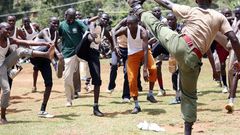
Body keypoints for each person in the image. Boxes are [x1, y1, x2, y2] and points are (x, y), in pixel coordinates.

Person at [127, 0, 240, 134]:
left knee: (157, 27)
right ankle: (187, 131)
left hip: (180, 44)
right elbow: (234, 39)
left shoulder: (191, 10)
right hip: (194, 59)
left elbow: (167, 4)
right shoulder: (219, 17)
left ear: (197, 1)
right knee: (190, 96)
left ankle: (137, 7)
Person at [0, 22, 53, 124]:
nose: (9, 31)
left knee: (20, 50)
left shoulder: (9, 40)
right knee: (6, 90)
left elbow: (26, 42)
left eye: (10, 29)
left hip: (4, 64)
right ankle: (2, 117)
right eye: (6, 29)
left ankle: (46, 55)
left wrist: (44, 43)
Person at [113, 15, 157, 114]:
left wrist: (145, 69)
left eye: (131, 24)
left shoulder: (143, 32)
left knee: (153, 68)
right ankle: (136, 105)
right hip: (132, 54)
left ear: (137, 23)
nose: (129, 25)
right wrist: (115, 46)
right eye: (127, 23)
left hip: (144, 52)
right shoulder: (125, 30)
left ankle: (150, 93)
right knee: (132, 79)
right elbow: (113, 33)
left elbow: (145, 51)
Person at [76, 12, 114, 117]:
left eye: (107, 19)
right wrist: (91, 36)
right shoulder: (92, 25)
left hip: (94, 54)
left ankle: (96, 107)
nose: (105, 21)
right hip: (83, 50)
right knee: (88, 37)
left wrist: (113, 48)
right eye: (103, 19)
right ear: (99, 19)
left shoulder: (105, 31)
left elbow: (111, 39)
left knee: (97, 80)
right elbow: (89, 27)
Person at [30, 17, 63, 118]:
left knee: (49, 84)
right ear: (50, 23)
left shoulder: (56, 34)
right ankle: (55, 64)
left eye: (57, 24)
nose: (56, 25)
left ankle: (42, 110)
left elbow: (56, 46)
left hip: (45, 60)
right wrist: (58, 55)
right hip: (35, 56)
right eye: (54, 23)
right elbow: (50, 44)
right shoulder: (44, 31)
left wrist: (61, 58)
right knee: (48, 47)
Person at [59, 8, 88, 107]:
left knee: (90, 65)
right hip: (68, 54)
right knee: (67, 77)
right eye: (69, 17)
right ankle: (69, 99)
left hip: (80, 52)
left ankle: (88, 84)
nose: (71, 20)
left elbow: (87, 32)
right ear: (65, 15)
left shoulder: (78, 23)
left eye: (73, 17)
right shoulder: (62, 25)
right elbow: (57, 37)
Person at [22, 16, 41, 93]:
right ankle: (34, 85)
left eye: (27, 22)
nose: (26, 23)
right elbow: (24, 42)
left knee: (40, 66)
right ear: (23, 23)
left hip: (40, 47)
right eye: (24, 22)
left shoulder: (35, 26)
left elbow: (42, 33)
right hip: (32, 50)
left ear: (30, 21)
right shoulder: (22, 30)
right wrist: (30, 49)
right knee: (36, 68)